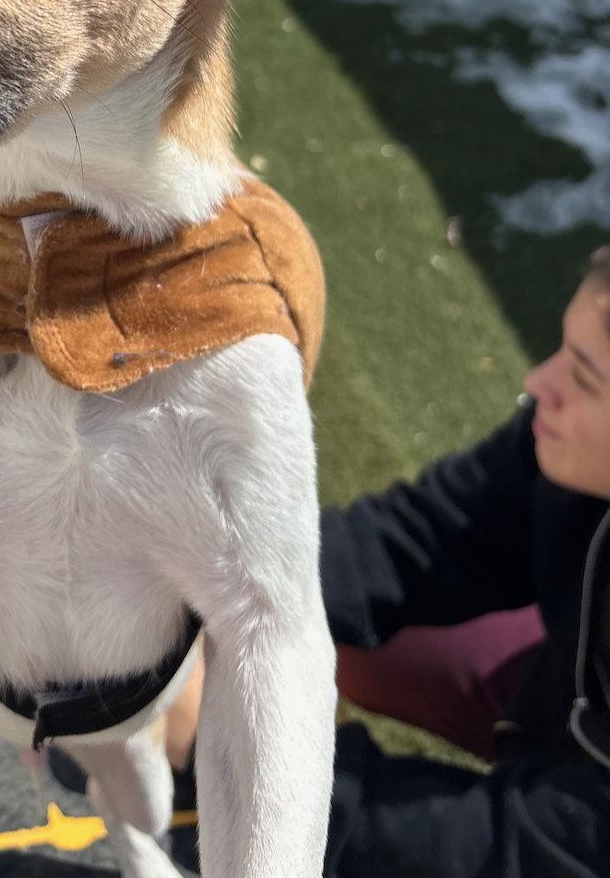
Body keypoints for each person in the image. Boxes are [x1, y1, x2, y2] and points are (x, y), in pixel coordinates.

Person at [53, 246, 610, 875]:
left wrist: (244, 755)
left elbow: (518, 854)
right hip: (564, 694)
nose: (540, 384)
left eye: (585, 378)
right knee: (309, 642)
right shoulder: (563, 438)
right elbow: (434, 533)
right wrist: (205, 596)